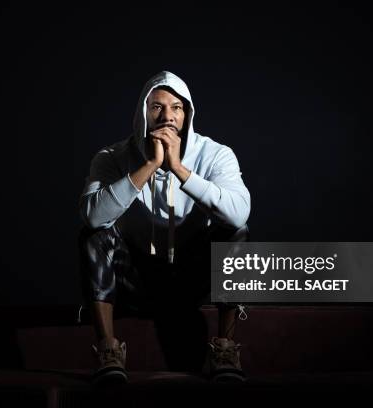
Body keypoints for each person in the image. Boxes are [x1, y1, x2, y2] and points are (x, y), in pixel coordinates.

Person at [78, 71, 251, 384]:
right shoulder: (111, 157)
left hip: (192, 279)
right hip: (138, 281)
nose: (167, 116)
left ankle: (224, 351)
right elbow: (92, 217)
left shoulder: (215, 154)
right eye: (157, 107)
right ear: (143, 113)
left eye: (176, 108)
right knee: (96, 233)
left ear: (187, 114)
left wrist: (179, 171)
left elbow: (238, 215)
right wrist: (150, 167)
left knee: (235, 232)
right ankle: (108, 350)